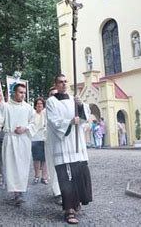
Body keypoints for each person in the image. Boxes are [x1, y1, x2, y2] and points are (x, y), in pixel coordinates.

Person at [46, 74, 92, 224]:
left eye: (66, 81)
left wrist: (79, 105)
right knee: (66, 178)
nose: (64, 84)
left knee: (79, 175)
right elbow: (53, 121)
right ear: (56, 84)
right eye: (60, 82)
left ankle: (76, 202)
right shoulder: (51, 102)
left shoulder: (74, 99)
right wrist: (70, 122)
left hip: (77, 145)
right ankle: (69, 210)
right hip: (63, 144)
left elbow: (85, 117)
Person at [0, 83, 35, 206]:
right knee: (11, 166)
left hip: (24, 139)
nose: (23, 95)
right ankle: (16, 193)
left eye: (24, 93)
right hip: (10, 139)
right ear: (14, 93)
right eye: (20, 92)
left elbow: (34, 123)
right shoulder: (5, 107)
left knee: (22, 166)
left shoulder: (28, 107)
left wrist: (25, 128)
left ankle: (20, 191)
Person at [45, 87, 63, 205]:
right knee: (53, 166)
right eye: (51, 95)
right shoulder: (46, 109)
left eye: (56, 95)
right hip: (50, 141)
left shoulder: (63, 108)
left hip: (62, 141)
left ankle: (65, 190)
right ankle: (57, 192)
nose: (53, 97)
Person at [31, 97, 48, 184]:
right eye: (38, 104)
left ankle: (44, 177)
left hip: (44, 138)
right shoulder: (32, 114)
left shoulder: (45, 114)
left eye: (41, 104)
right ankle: (37, 175)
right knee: (36, 159)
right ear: (35, 105)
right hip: (35, 138)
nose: (39, 105)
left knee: (45, 159)